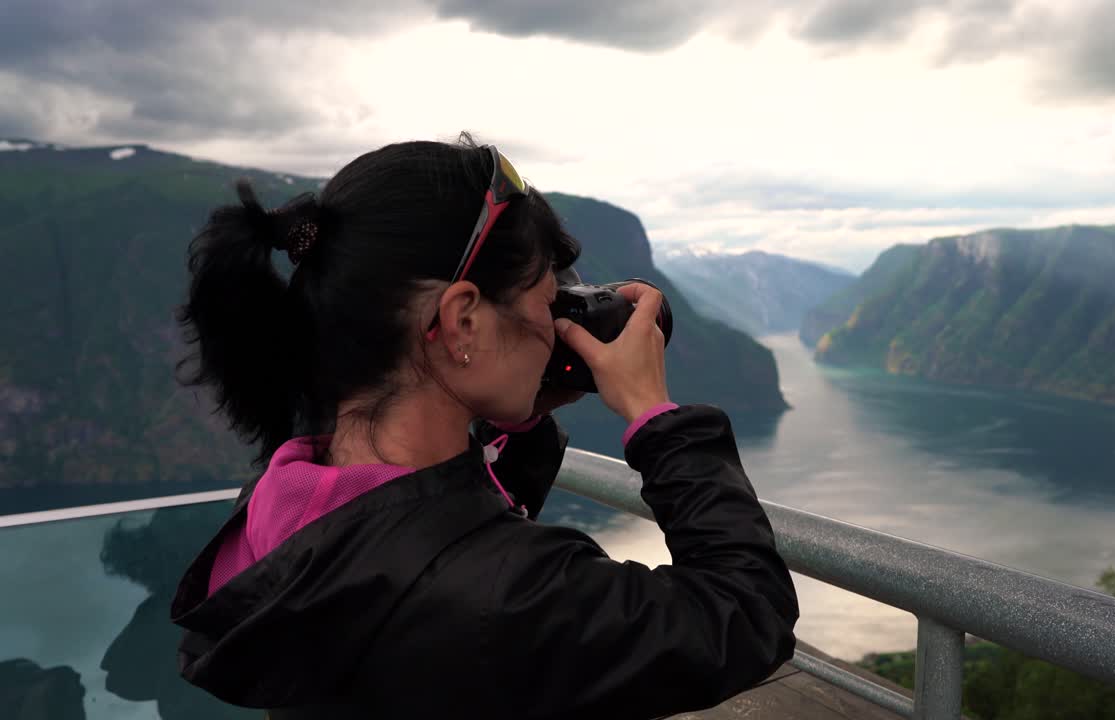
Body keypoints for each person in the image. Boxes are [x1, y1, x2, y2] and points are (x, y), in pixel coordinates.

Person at [169, 137, 799, 720]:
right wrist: (656, 418)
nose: (555, 324)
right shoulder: (507, 594)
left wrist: (521, 418)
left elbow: (438, 534)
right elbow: (745, 613)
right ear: (464, 320)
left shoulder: (286, 507)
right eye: (545, 298)